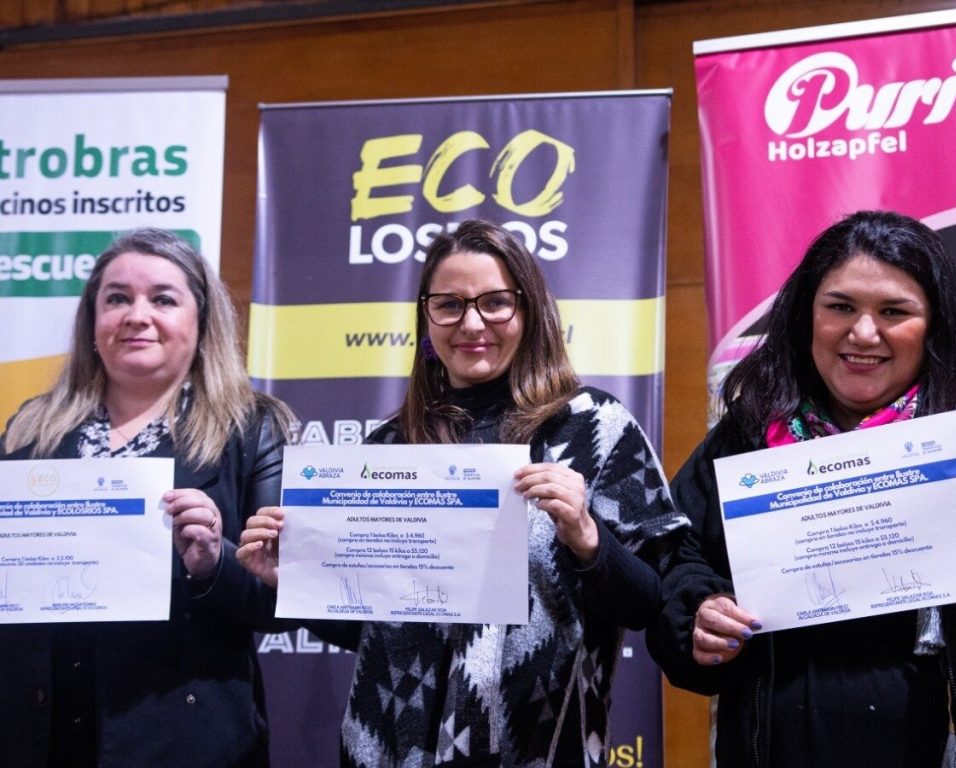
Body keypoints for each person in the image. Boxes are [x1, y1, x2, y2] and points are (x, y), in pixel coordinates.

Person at [238, 218, 710, 767]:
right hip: (391, 749)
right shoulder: (390, 447)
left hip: (539, 749)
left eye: (495, 302)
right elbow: (375, 627)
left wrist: (589, 539)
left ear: (529, 311)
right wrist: (299, 581)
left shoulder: (594, 428)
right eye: (449, 305)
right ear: (426, 318)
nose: (471, 323)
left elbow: (650, 601)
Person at [646, 209, 956, 767]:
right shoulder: (748, 437)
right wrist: (700, 611)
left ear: (935, 325)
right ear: (807, 315)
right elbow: (675, 559)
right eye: (841, 307)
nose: (863, 333)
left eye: (894, 311)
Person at [0, 228, 295, 767]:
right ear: (92, 321)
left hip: (183, 738)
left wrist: (214, 563)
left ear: (202, 321)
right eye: (117, 299)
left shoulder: (252, 428)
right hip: (38, 731)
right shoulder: (29, 429)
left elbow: (286, 599)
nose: (137, 315)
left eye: (163, 299)